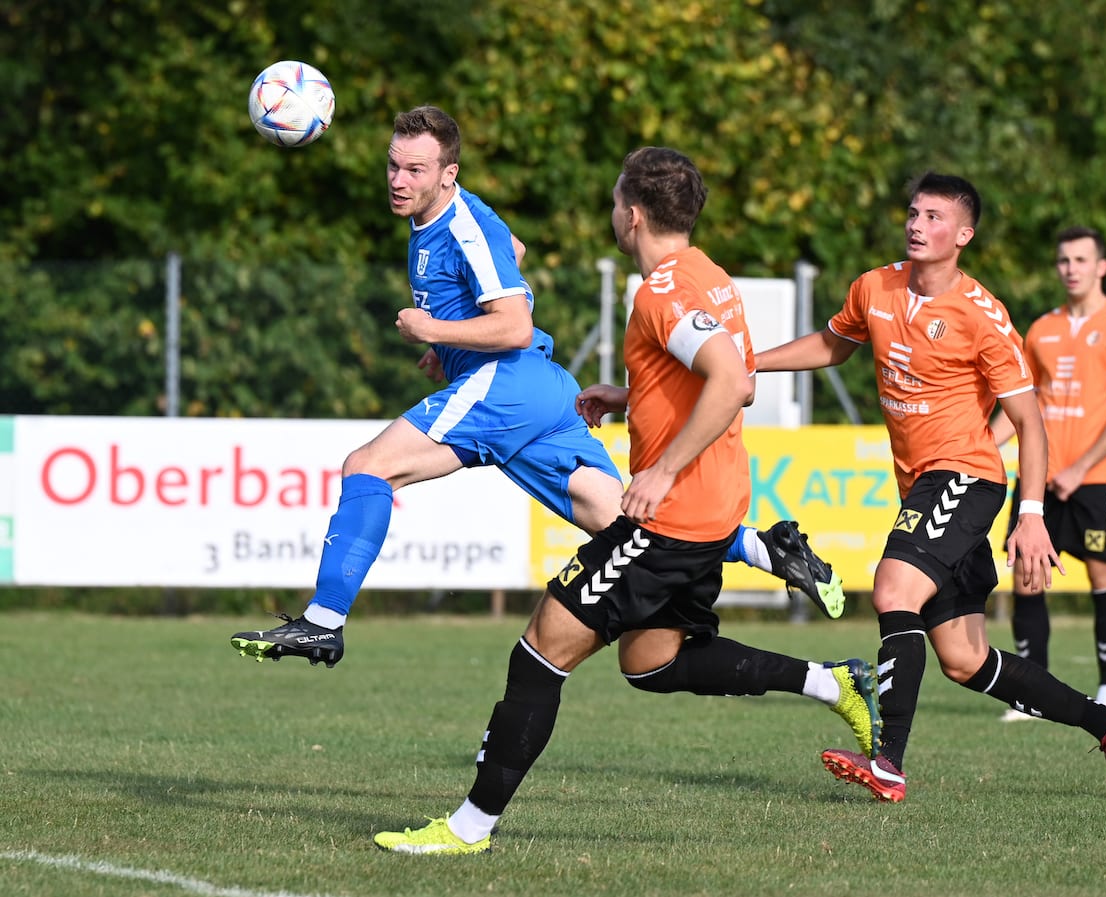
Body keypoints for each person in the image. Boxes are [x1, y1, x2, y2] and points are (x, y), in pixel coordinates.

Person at [372, 146, 880, 855]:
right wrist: (629, 393)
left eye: (615, 202)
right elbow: (707, 374)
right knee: (654, 662)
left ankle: (468, 828)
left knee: (539, 654)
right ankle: (833, 683)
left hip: (670, 520)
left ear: (632, 215)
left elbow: (732, 380)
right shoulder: (709, 276)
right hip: (713, 513)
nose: (612, 212)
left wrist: (665, 469)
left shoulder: (661, 290)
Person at [230, 107, 845, 668]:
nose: (398, 179)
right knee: (623, 523)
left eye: (415, 169)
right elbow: (512, 253)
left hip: (506, 386)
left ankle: (323, 620)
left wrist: (433, 329)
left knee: (367, 467)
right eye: (393, 164)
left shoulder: (462, 226)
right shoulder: (448, 219)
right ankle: (770, 550)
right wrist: (453, 345)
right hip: (537, 394)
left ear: (449, 174)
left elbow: (516, 325)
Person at [754, 173, 1106, 802]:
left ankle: (888, 762)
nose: (917, 224)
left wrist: (1032, 514)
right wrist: (749, 360)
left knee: (891, 587)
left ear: (963, 235)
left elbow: (1029, 423)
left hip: (968, 475)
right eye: (913, 211)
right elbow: (833, 345)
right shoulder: (874, 287)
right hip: (922, 485)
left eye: (935, 217)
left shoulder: (982, 315)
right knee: (965, 660)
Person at [990, 226, 1106, 718]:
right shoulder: (1042, 330)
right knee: (1026, 581)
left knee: (1103, 577)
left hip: (1094, 481)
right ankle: (1030, 692)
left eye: (1081, 260)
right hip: (1039, 481)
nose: (1071, 268)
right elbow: (1021, 406)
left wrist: (1080, 468)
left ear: (1101, 266)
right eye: (1063, 260)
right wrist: (979, 446)